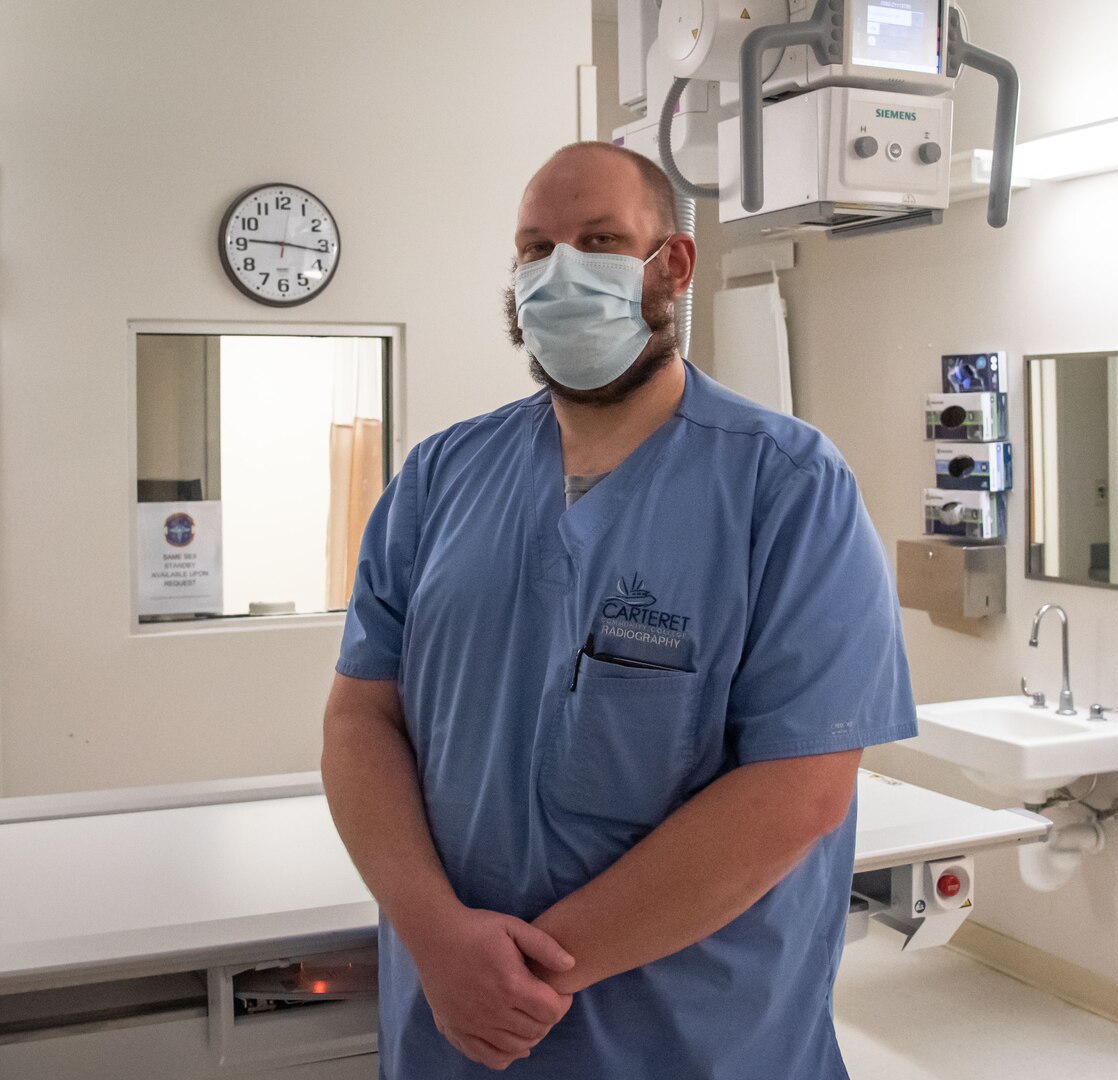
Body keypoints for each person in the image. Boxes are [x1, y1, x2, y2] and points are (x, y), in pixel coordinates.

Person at [321, 141, 917, 1079]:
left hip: (694, 1037)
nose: (558, 276)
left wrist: (531, 979)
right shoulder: (441, 477)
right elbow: (362, 717)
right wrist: (438, 939)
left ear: (671, 264)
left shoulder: (787, 486)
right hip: (455, 1029)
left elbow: (799, 789)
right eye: (535, 250)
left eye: (598, 242)